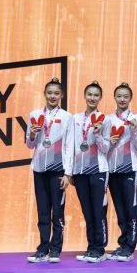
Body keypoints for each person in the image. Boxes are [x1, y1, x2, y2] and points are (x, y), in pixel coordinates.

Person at [25, 77, 74, 263]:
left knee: (58, 212)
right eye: (49, 93)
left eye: (56, 93)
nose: (52, 96)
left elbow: (69, 146)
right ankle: (43, 248)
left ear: (61, 95)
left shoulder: (67, 117)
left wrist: (68, 173)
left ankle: (55, 249)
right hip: (39, 168)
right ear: (44, 94)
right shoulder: (34, 114)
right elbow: (30, 145)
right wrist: (31, 134)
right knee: (43, 211)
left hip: (58, 170)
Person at [72, 81, 112, 263]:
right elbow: (72, 145)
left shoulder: (105, 119)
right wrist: (70, 171)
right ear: (84, 96)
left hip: (99, 171)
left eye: (96, 95)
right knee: (87, 211)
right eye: (90, 94)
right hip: (80, 171)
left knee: (98, 210)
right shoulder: (75, 119)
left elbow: (106, 148)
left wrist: (97, 134)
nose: (92, 98)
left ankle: (100, 249)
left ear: (100, 98)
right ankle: (91, 247)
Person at [105, 83, 137, 262]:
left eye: (125, 96)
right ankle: (123, 244)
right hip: (112, 170)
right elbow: (104, 147)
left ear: (130, 99)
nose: (122, 99)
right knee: (120, 210)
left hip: (130, 170)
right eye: (119, 96)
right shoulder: (107, 120)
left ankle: (129, 247)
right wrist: (109, 141)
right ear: (114, 97)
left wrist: (134, 130)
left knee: (131, 209)